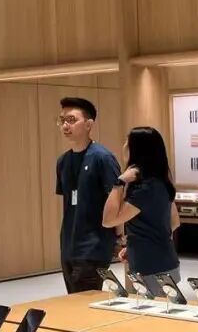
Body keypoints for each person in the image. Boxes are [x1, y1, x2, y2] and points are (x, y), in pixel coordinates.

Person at [56, 97, 121, 293]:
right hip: (69, 245)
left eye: (71, 120)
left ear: (89, 124)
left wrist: (120, 237)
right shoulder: (63, 161)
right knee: (73, 300)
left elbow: (117, 199)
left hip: (94, 246)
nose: (65, 125)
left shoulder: (102, 158)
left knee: (84, 299)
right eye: (62, 120)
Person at [102, 126, 181, 281]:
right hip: (162, 263)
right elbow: (174, 222)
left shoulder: (145, 189)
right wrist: (136, 245)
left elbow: (108, 220)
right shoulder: (159, 181)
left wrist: (119, 182)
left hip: (152, 267)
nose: (124, 146)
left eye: (127, 142)